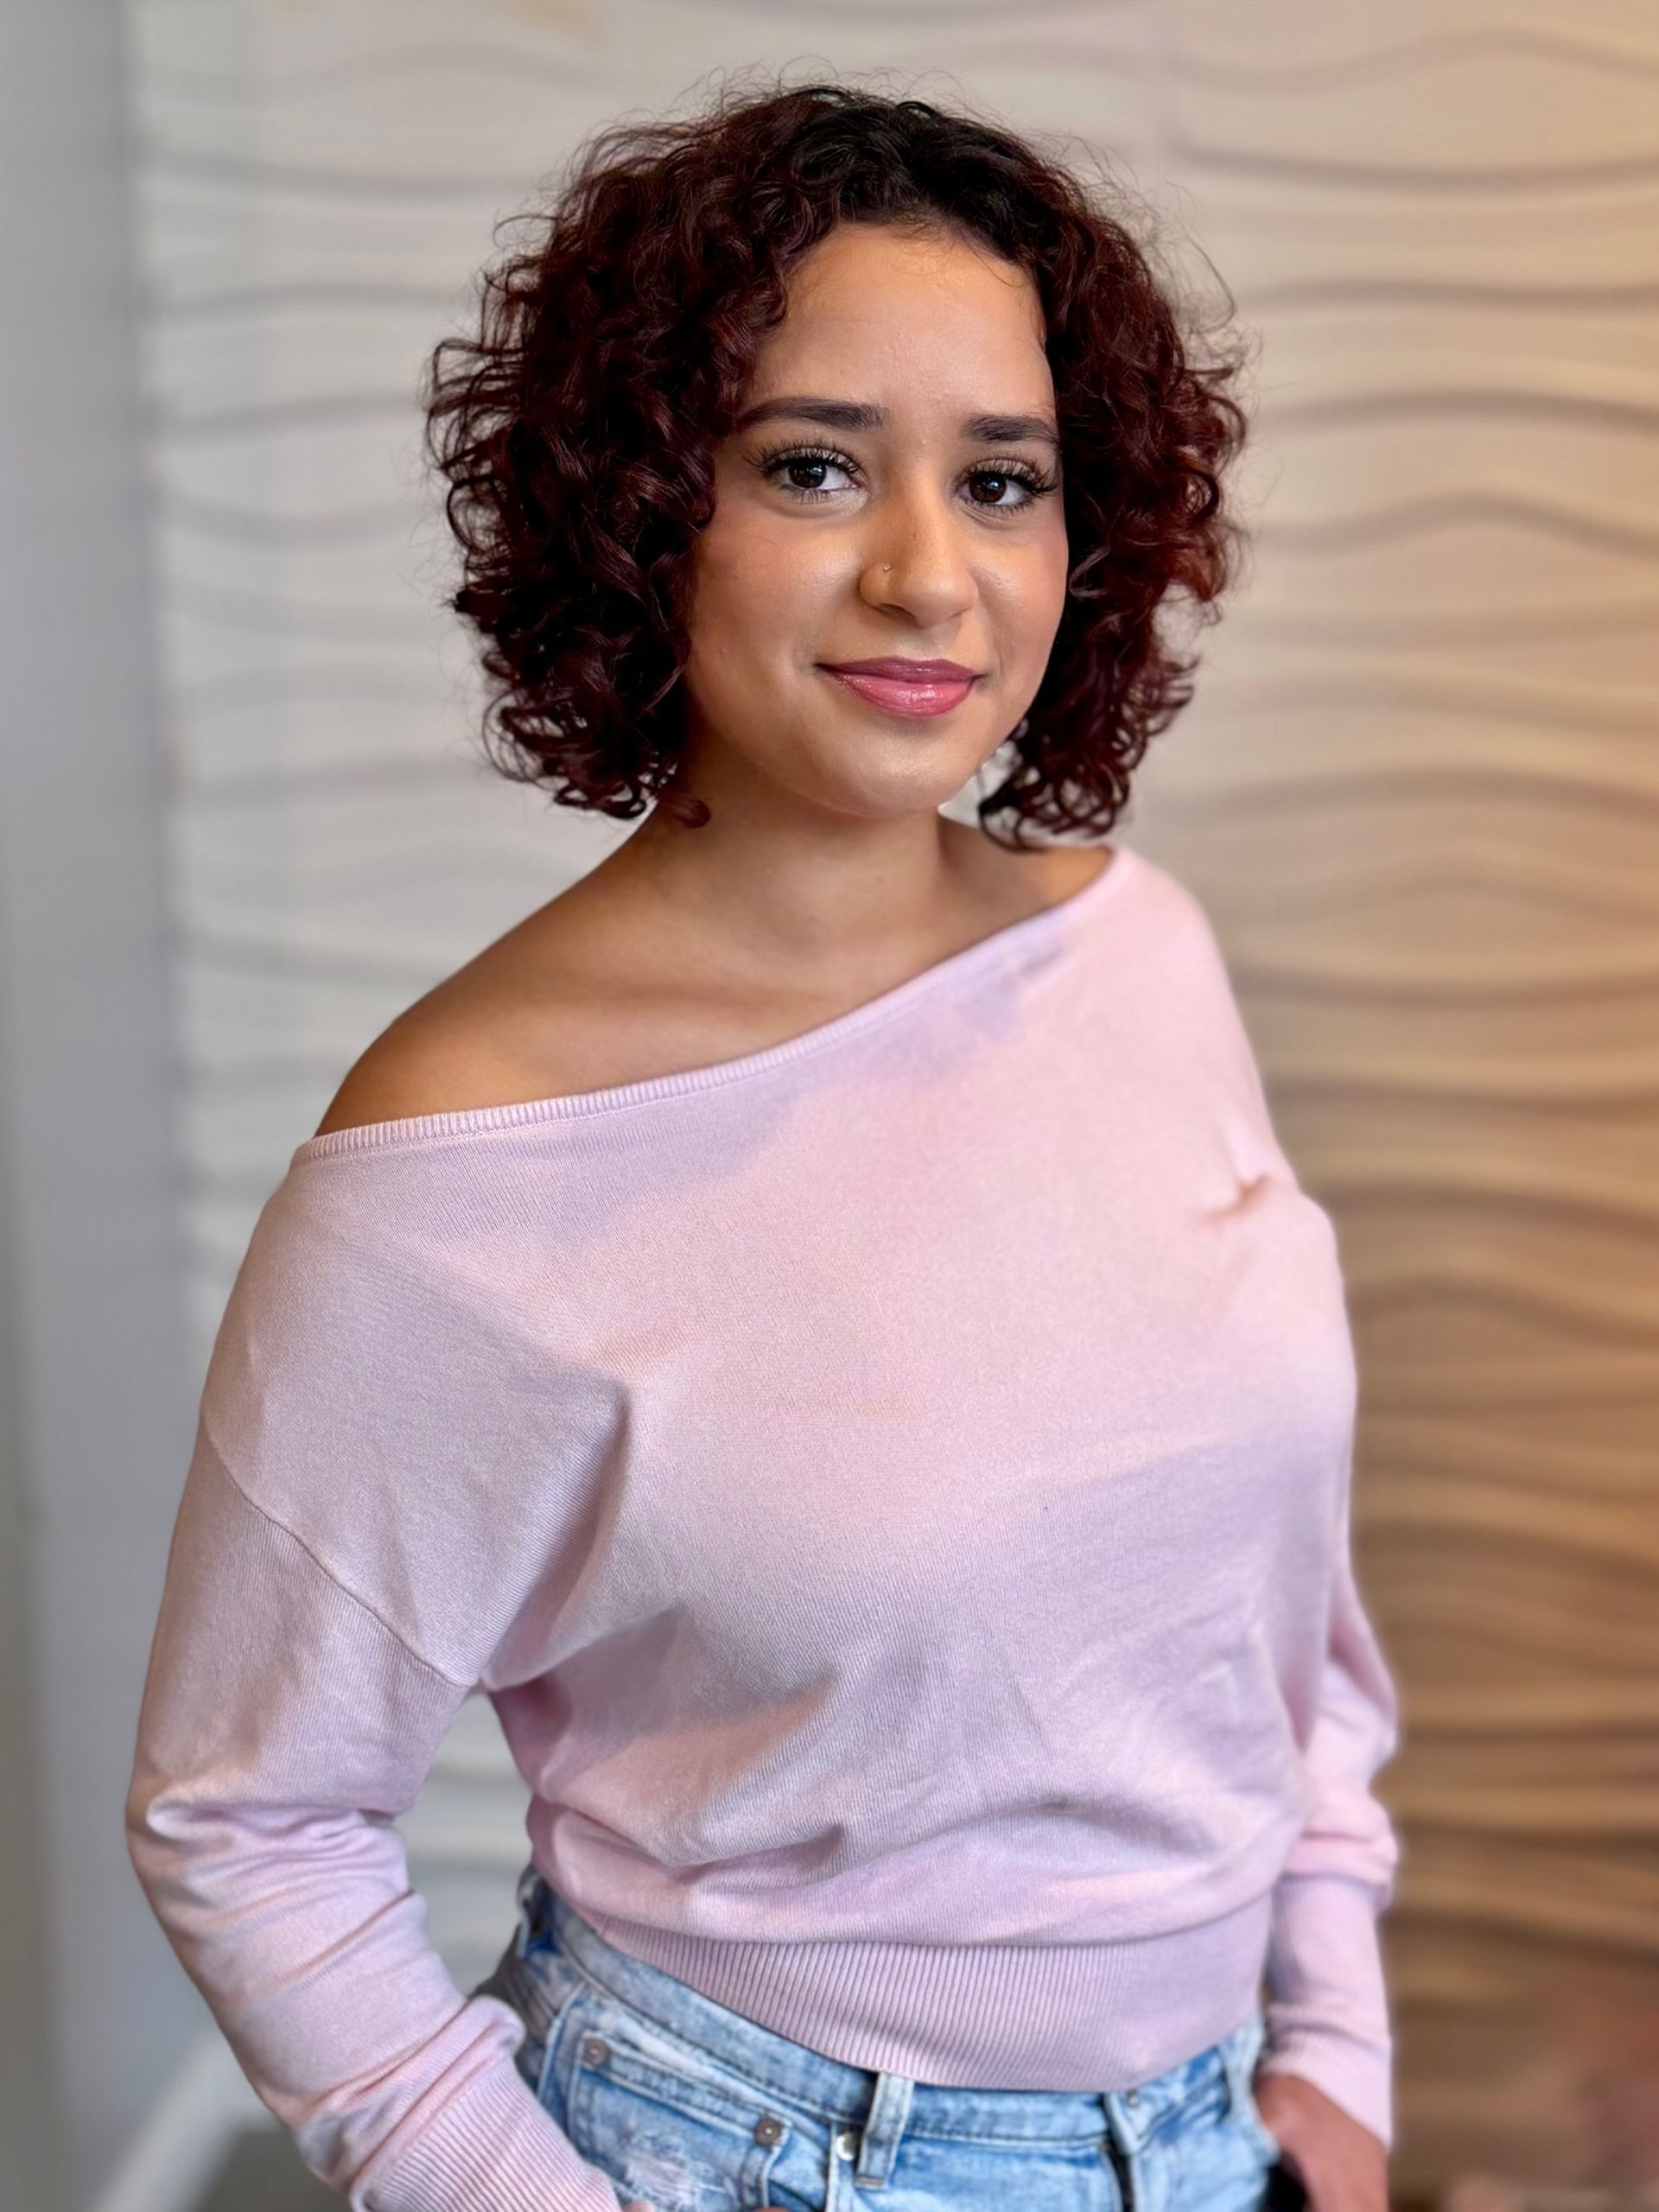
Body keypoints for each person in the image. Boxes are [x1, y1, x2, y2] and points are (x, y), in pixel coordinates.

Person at [125, 76, 1401, 2212]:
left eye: (1003, 478)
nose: (929, 572)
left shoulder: (1141, 955)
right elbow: (244, 1813)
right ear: (643, 508)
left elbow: (1274, 1607)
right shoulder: (454, 1166)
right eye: (814, 464)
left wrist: (1336, 2049)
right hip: (762, 2156)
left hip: (1224, 2132)